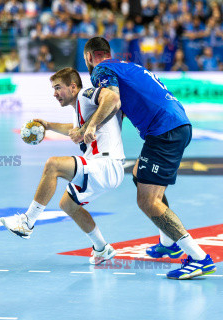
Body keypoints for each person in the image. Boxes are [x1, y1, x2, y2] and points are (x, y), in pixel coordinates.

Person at [76, 36, 215, 279]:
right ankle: (168, 242)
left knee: (147, 201)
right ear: (108, 51)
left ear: (88, 57)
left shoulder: (101, 69)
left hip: (164, 131)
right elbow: (122, 107)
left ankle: (199, 258)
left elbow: (113, 100)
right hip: (175, 123)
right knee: (139, 174)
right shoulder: (128, 66)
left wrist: (89, 127)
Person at [1, 67, 125, 265]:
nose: (55, 93)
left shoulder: (85, 95)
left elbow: (111, 98)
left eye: (58, 87)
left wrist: (90, 127)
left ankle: (27, 222)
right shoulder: (80, 109)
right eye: (53, 88)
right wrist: (48, 125)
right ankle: (102, 249)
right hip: (105, 168)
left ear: (73, 87)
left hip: (106, 163)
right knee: (67, 204)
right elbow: (74, 128)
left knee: (53, 165)